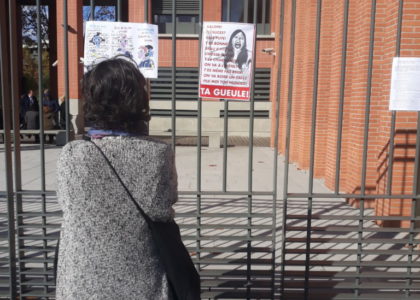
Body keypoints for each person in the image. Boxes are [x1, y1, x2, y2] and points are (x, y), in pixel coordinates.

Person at [55, 57, 178, 299]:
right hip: (142, 281)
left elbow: (67, 205)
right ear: (139, 101)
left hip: (81, 282)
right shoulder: (158, 154)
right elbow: (164, 208)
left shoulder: (72, 155)